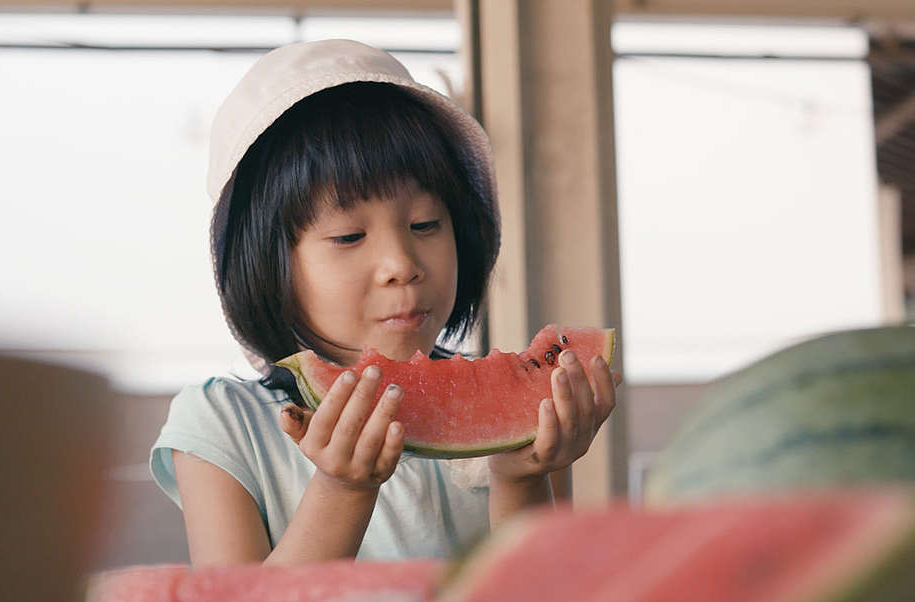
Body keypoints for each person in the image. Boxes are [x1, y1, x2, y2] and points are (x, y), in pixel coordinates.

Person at [149, 39, 620, 567]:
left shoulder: (526, 409)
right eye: (349, 236)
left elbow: (535, 590)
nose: (402, 262)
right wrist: (341, 490)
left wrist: (521, 478)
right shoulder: (221, 423)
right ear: (267, 262)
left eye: (425, 225)